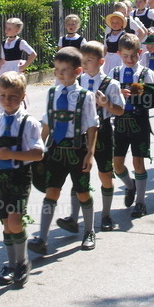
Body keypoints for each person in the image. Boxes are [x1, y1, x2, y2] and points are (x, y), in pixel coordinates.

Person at [28, 47, 99, 254]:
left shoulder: (85, 96)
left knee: (83, 192)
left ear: (78, 71)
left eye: (65, 70)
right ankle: (42, 238)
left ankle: (89, 230)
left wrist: (90, 153)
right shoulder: (52, 92)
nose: (59, 73)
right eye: (57, 69)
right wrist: (39, 147)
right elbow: (47, 124)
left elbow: (93, 125)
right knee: (51, 192)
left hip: (78, 149)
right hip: (56, 150)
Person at [0, 71, 44, 287]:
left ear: (23, 95)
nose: (7, 100)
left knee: (16, 221)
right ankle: (11, 263)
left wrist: (12, 155)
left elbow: (38, 153)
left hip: (19, 176)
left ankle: (23, 262)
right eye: (3, 95)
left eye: (13, 96)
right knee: (6, 224)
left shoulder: (30, 123)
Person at [61, 40, 125, 233]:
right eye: (83, 60)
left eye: (89, 60)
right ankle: (73, 217)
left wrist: (106, 104)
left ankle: (106, 214)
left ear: (101, 61)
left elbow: (121, 110)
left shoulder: (111, 84)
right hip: (79, 132)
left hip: (103, 130)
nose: (86, 64)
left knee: (105, 173)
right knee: (78, 175)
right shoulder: (76, 82)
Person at [110, 33, 154, 218]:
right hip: (120, 123)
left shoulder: (146, 73)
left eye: (133, 55)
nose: (129, 60)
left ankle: (141, 202)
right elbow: (106, 97)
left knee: (138, 162)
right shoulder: (114, 73)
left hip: (139, 122)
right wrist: (118, 93)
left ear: (140, 52)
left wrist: (143, 95)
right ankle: (130, 186)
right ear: (119, 54)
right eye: (125, 56)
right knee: (117, 165)